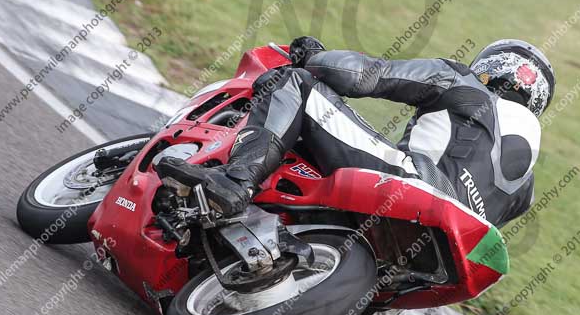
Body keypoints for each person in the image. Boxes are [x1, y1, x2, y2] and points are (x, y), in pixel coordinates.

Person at [156, 36, 555, 229]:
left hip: (413, 184)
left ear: (489, 66)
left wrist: (312, 58)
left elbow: (364, 75)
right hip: (450, 235)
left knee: (297, 85)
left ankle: (234, 182)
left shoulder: (464, 82)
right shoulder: (527, 189)